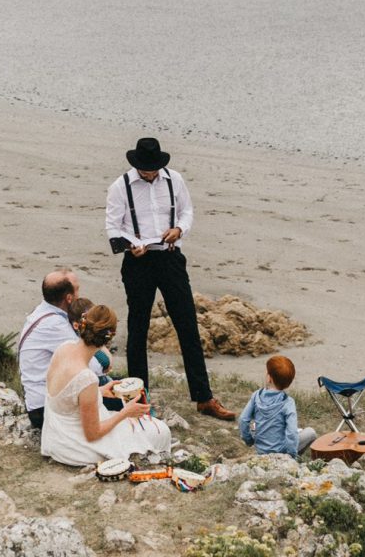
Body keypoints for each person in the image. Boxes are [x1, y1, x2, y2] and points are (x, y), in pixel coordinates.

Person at [105, 136, 234, 421]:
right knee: (137, 330)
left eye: (152, 169)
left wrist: (179, 228)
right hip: (138, 263)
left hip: (171, 258)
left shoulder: (174, 180)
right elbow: (113, 228)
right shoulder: (120, 187)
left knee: (187, 325)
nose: (149, 174)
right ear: (136, 165)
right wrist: (131, 244)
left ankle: (204, 397)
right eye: (144, 170)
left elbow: (187, 211)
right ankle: (139, 399)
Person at [41, 304, 172, 467]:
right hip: (74, 446)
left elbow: (66, 393)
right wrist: (125, 412)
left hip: (55, 436)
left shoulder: (64, 348)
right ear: (109, 338)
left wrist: (99, 392)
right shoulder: (86, 377)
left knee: (144, 427)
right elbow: (92, 434)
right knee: (162, 431)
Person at [18, 268, 82, 429]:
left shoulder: (42, 312)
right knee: (122, 398)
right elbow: (93, 367)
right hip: (44, 408)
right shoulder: (55, 325)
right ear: (68, 298)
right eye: (77, 290)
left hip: (39, 400)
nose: (79, 295)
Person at [238, 355, 317, 457]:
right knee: (311, 432)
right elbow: (291, 433)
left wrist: (249, 440)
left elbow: (243, 420)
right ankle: (296, 454)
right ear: (288, 383)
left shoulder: (256, 396)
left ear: (269, 378)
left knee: (255, 424)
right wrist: (291, 455)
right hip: (280, 450)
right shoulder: (288, 403)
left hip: (261, 450)